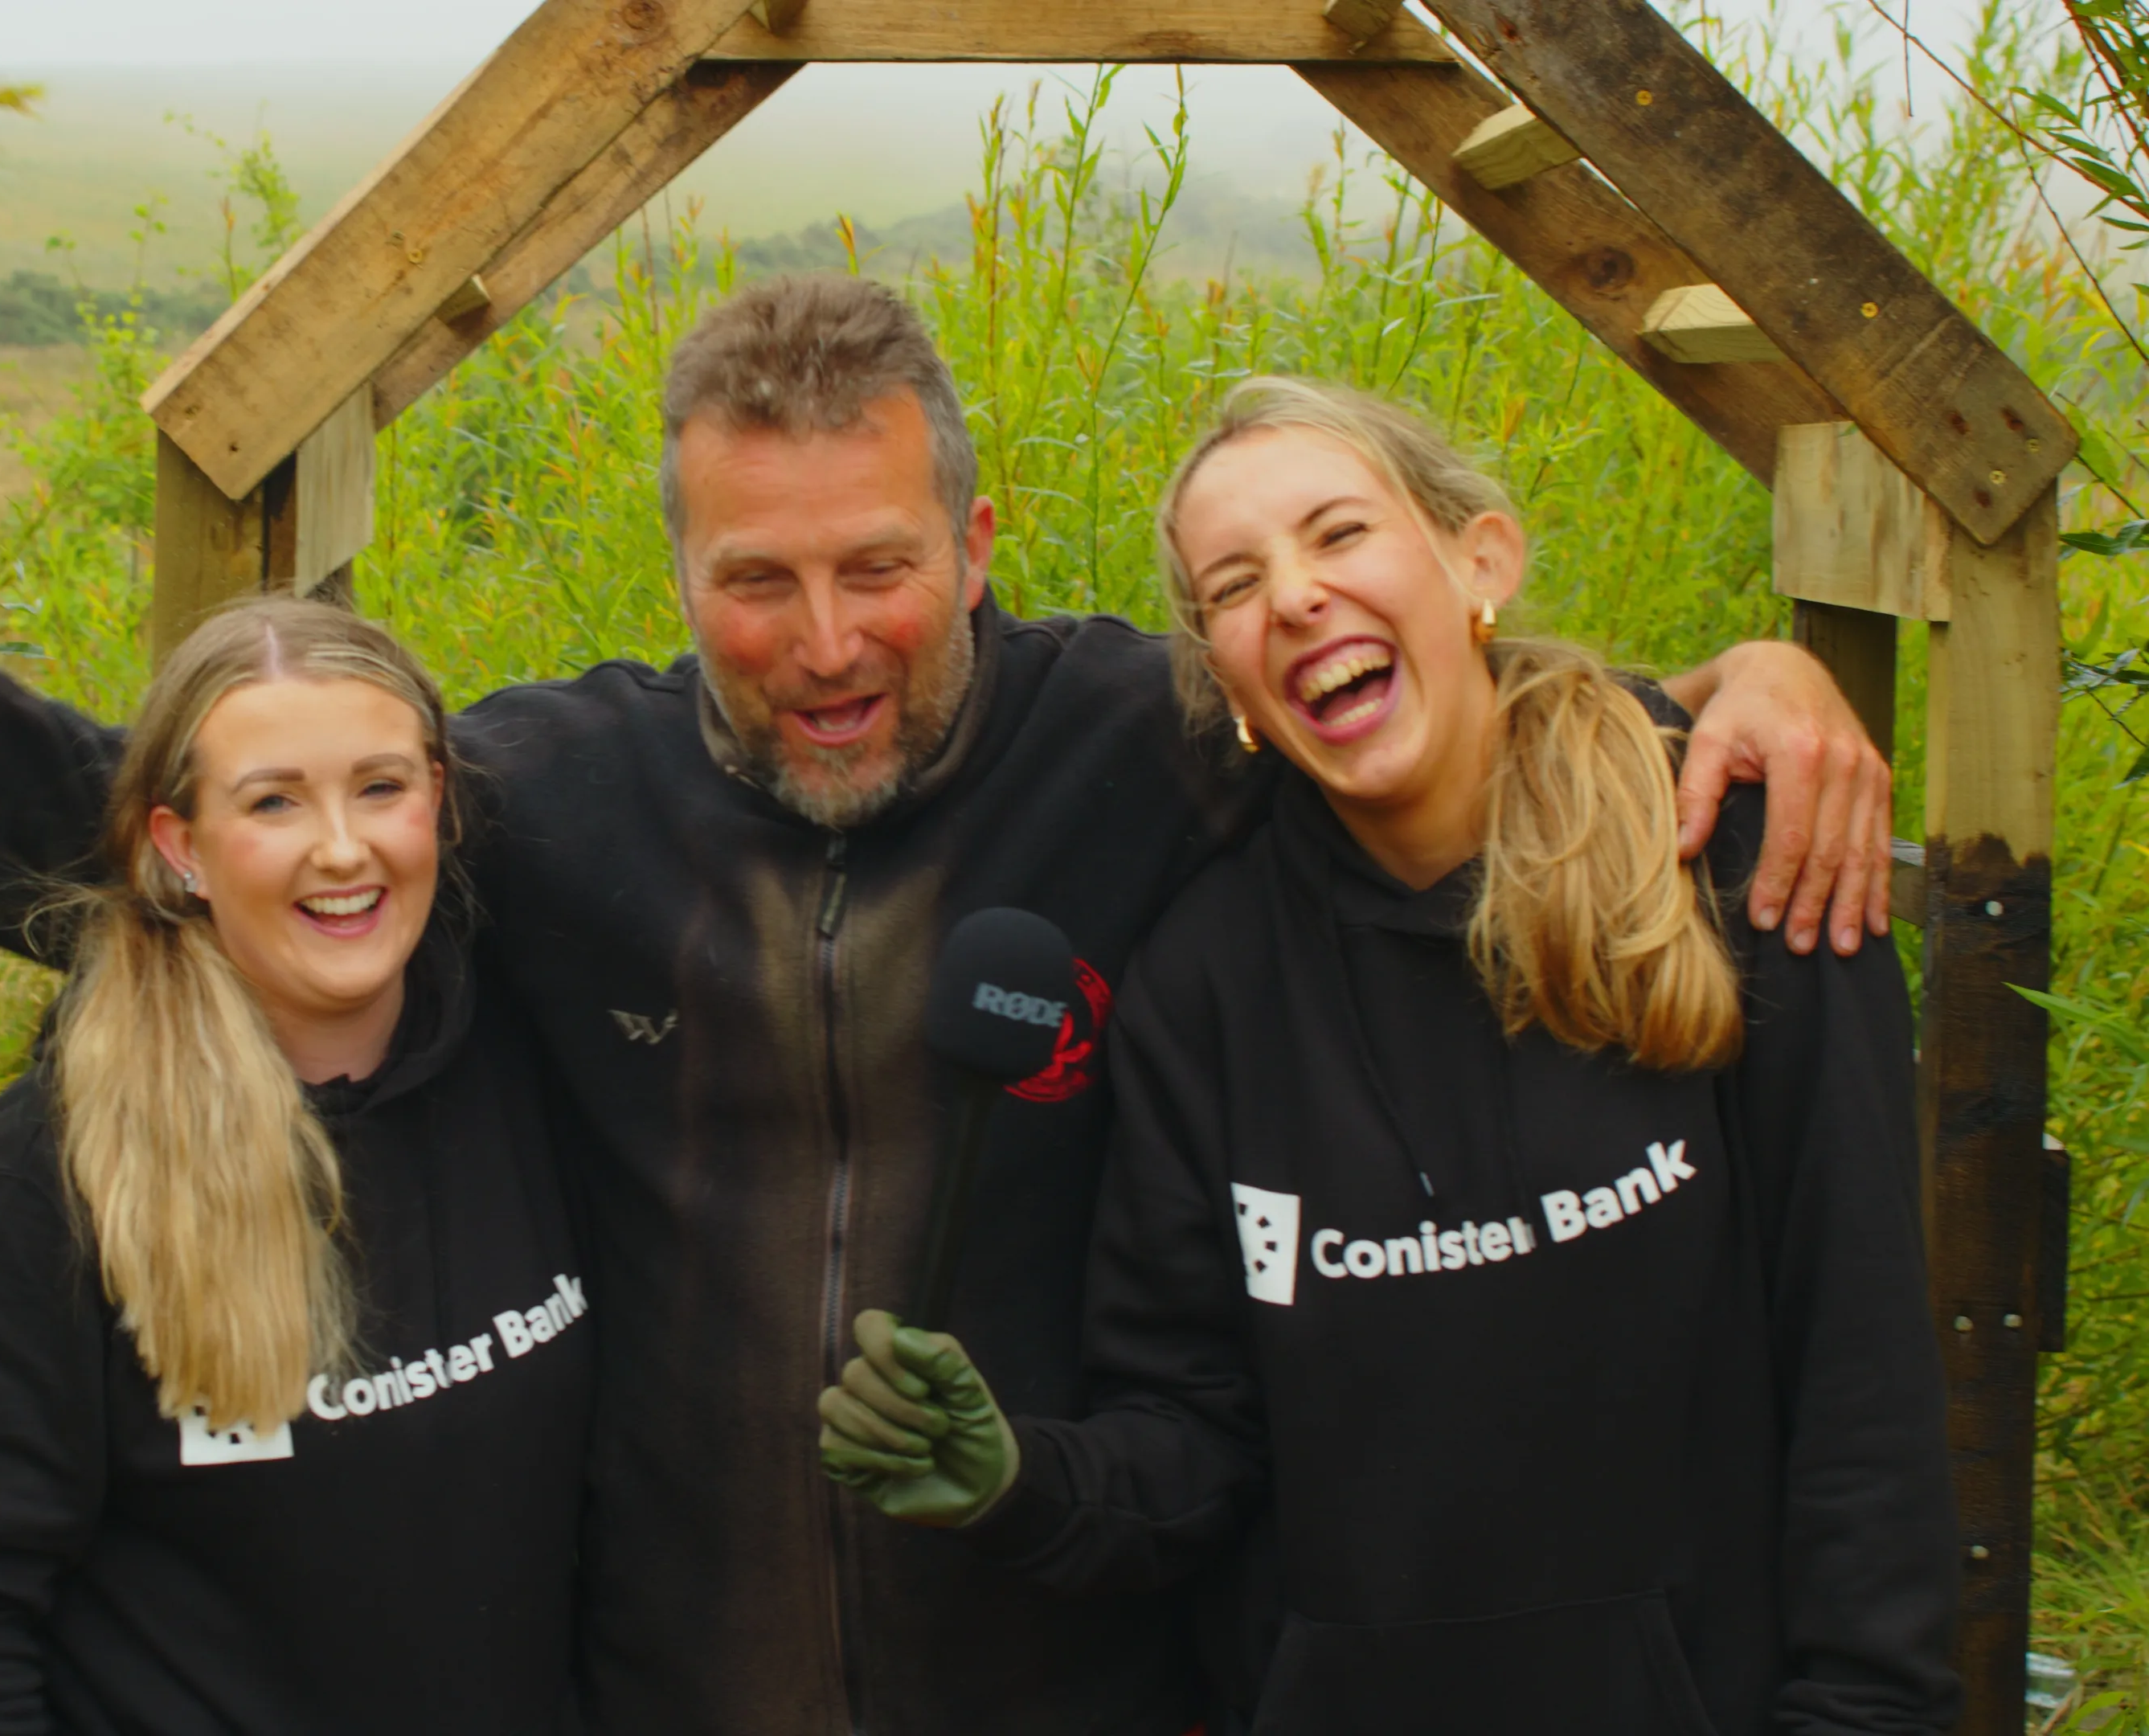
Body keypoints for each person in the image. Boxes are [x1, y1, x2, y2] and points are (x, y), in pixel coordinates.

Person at [0, 276, 1893, 1734]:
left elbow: (1402, 711)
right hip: (679, 1695)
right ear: (682, 578)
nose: (826, 638)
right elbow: (206, 834)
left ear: (975, 546)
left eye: (878, 569)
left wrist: (1733, 702)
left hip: (1064, 1680)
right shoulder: (559, 808)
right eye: (758, 580)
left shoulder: (1139, 748)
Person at [817, 378, 1958, 1735]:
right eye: (1235, 585)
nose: (1296, 597)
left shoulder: (1732, 865)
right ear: (1228, 682)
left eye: (1339, 533)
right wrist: (1025, 1484)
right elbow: (1199, 1436)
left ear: (1481, 561)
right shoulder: (1206, 991)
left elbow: (1864, 1386)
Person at [0, 598, 592, 1734]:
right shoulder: (51, 1184)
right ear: (181, 846)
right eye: (273, 802)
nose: (340, 847)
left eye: (380, 787)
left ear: (441, 804)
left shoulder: (531, 1074)